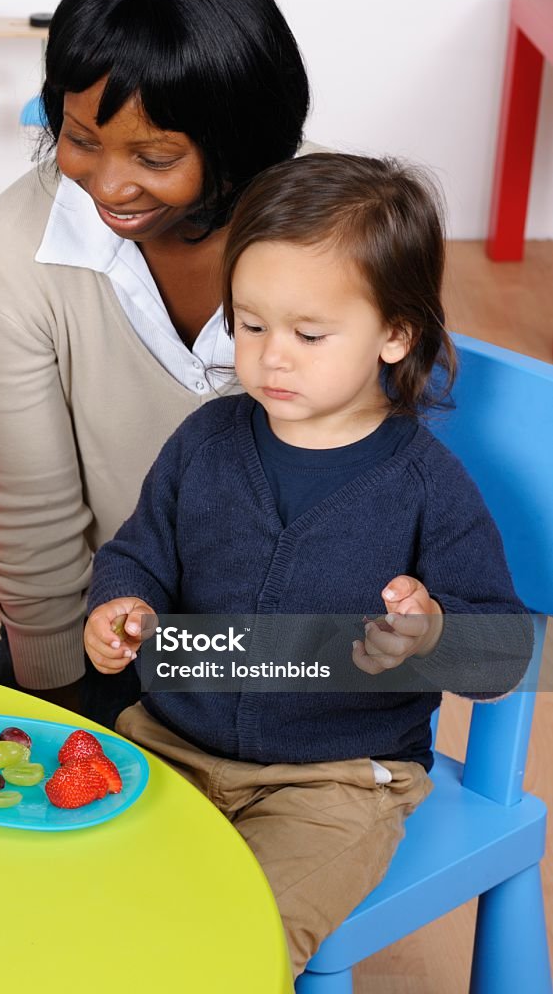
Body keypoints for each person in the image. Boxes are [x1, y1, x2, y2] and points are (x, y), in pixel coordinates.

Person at [84, 152, 532, 975]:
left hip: (334, 784)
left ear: (395, 333)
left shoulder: (426, 487)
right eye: (249, 325)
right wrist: (121, 606)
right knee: (75, 895)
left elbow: (503, 652)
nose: (271, 356)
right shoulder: (205, 443)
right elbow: (138, 554)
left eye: (308, 333)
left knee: (243, 934)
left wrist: (431, 635)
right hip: (169, 744)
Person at [0, 0, 310, 721]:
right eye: (80, 140)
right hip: (105, 636)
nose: (107, 185)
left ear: (237, 143)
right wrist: (57, 710)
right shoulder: (8, 248)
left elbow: (373, 478)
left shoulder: (335, 243)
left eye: (153, 159)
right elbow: (32, 512)